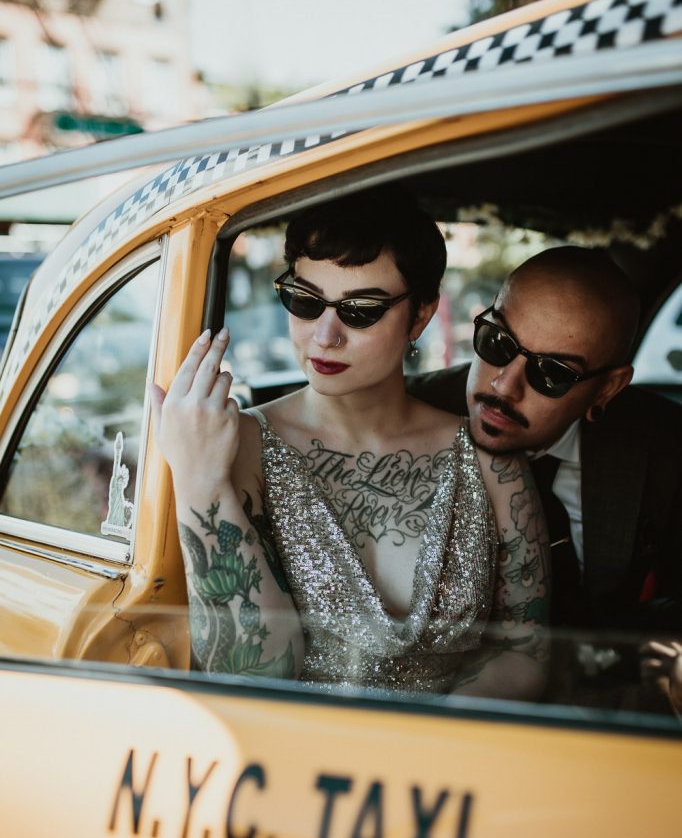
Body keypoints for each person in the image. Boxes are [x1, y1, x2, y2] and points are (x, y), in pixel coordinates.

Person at [151, 189, 550, 698]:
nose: (324, 336)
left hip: (451, 761)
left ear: (422, 315)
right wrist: (199, 480)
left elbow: (525, 649)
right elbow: (251, 670)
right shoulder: (231, 445)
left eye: (360, 311)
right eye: (304, 301)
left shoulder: (489, 461)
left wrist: (433, 744)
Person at [410, 245, 682, 710]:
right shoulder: (400, 417)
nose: (502, 386)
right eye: (498, 343)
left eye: (553, 373)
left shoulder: (664, 447)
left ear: (609, 387)